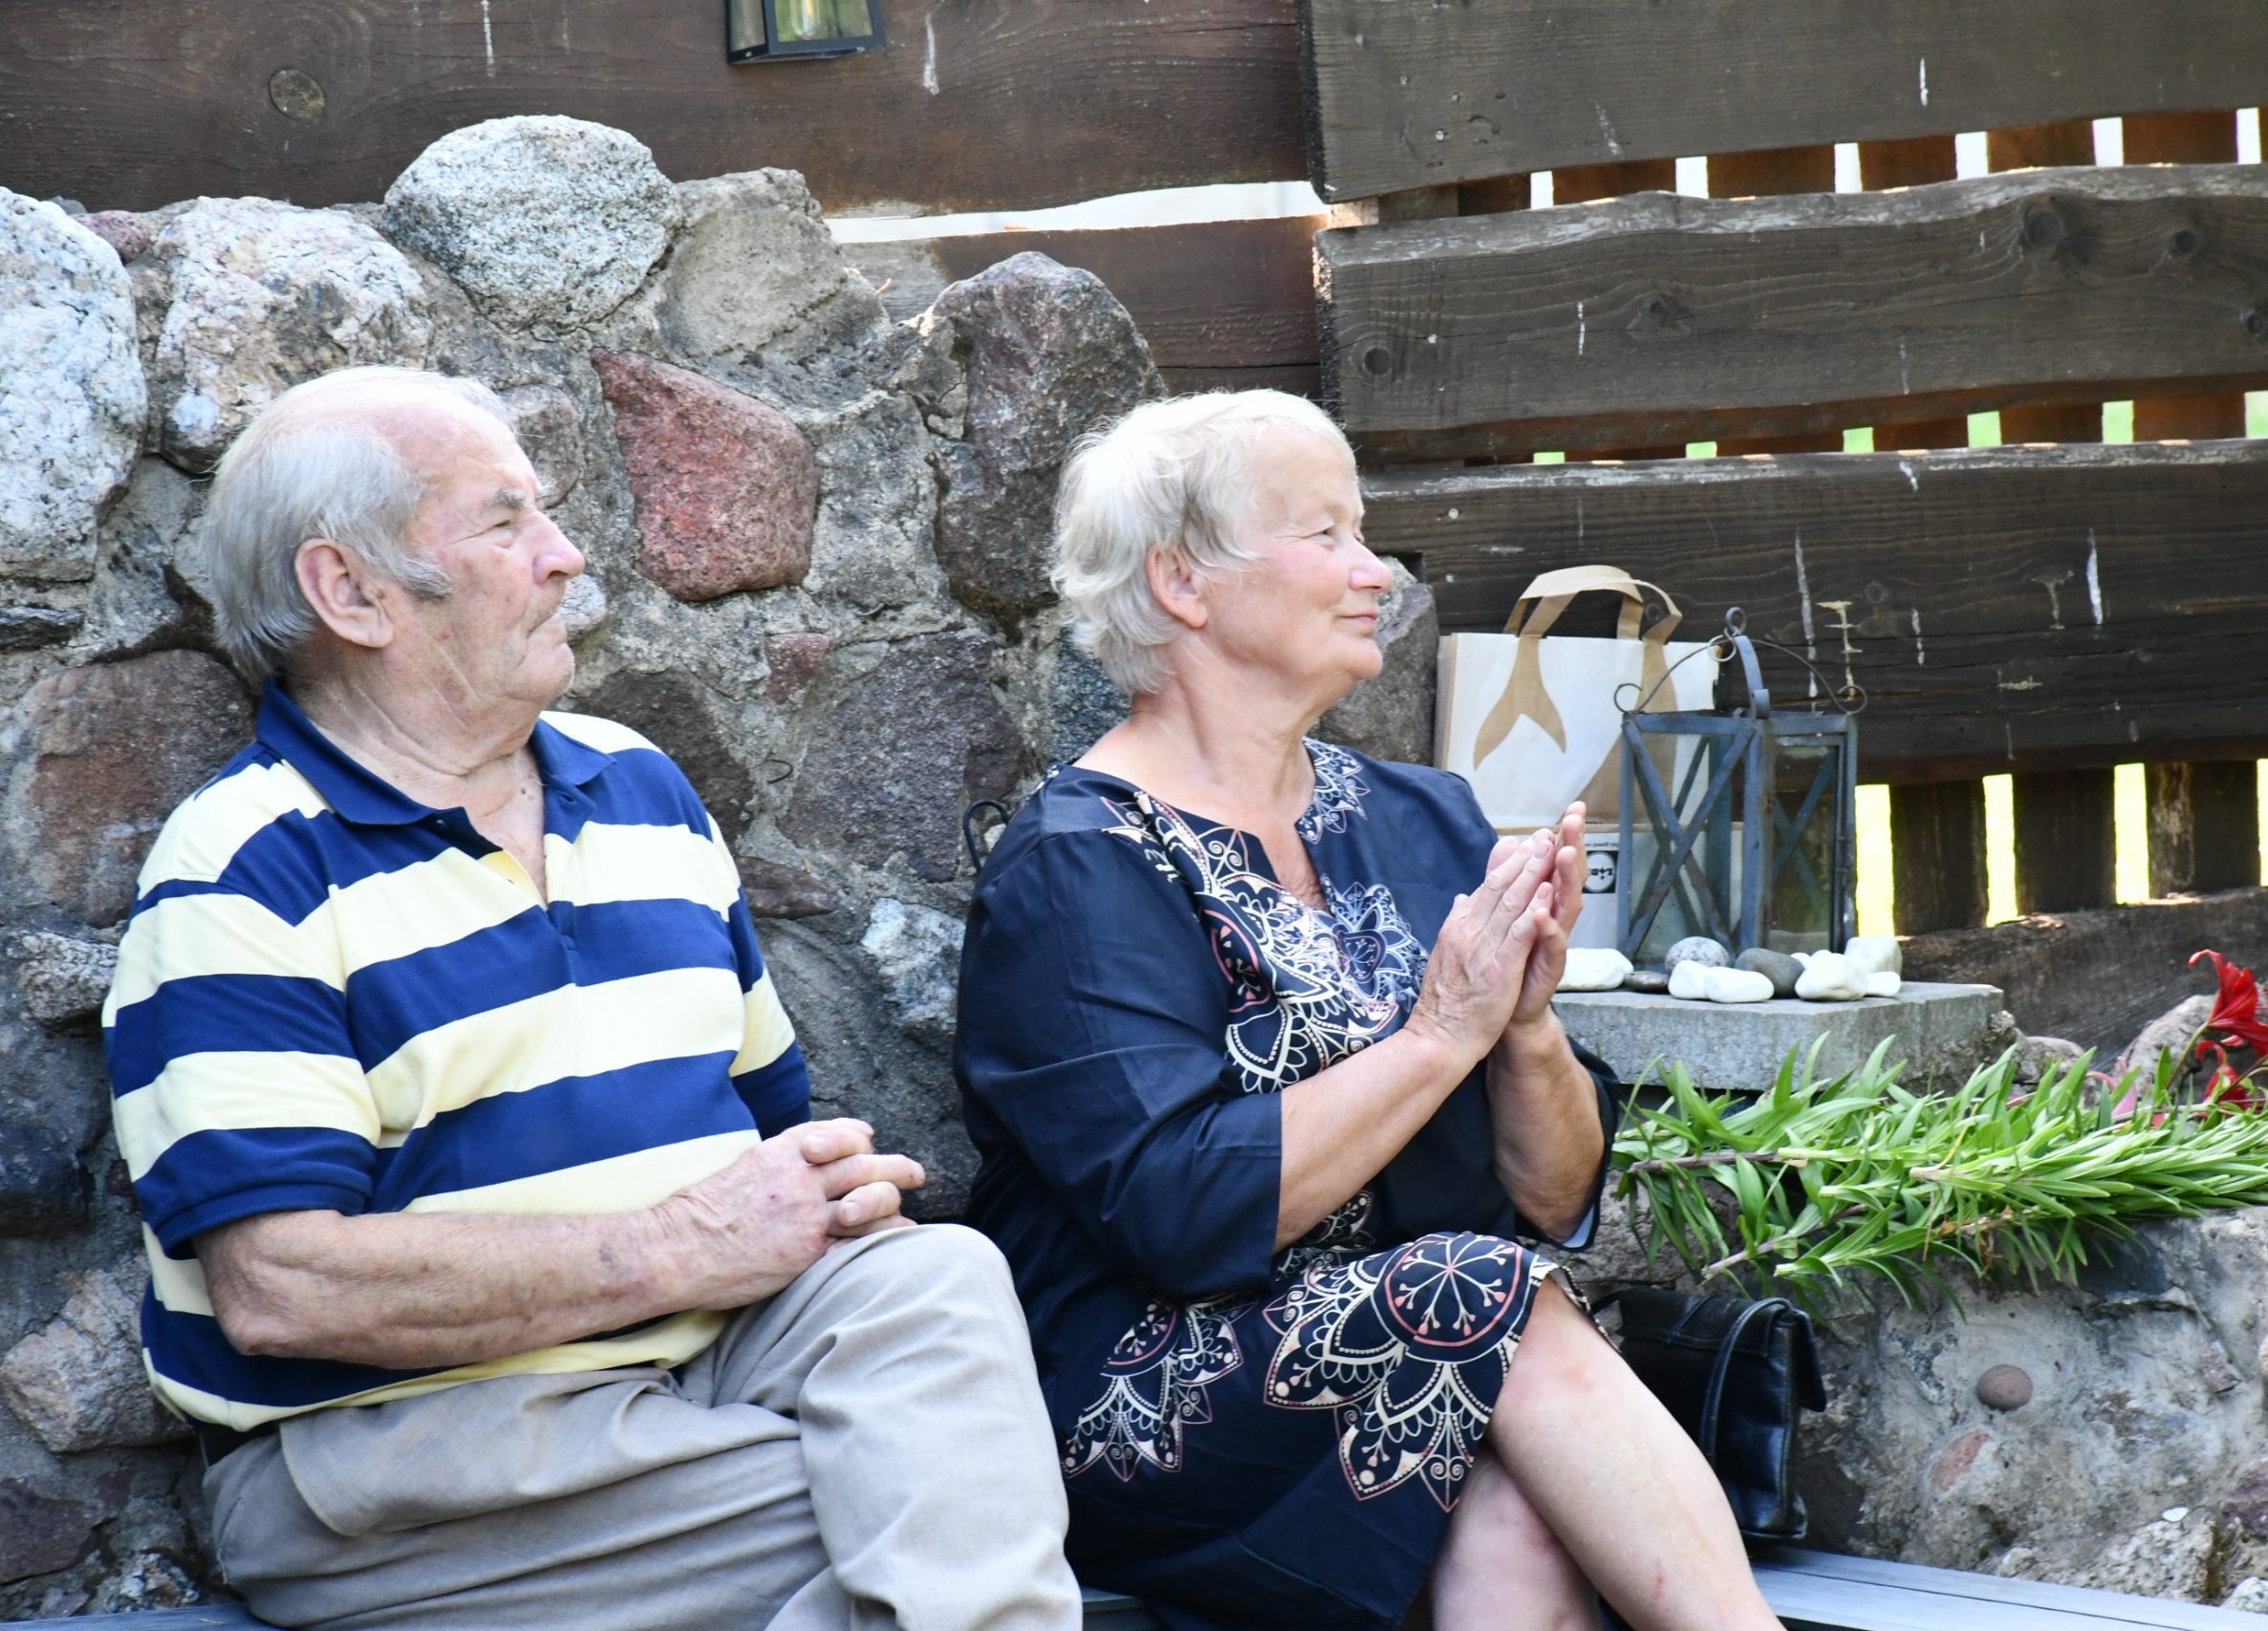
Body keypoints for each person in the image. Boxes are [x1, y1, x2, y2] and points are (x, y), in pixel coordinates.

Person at [103, 365, 1079, 1631]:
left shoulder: (638, 785)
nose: (565, 555)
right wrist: (681, 1247)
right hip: (411, 1447)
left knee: (935, 1282)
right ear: (351, 592)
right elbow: (283, 1289)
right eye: (505, 521)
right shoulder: (244, 868)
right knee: (932, 1510)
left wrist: (818, 1196)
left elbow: (764, 1132)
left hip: (709, 1363)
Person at [954, 391, 1786, 1631]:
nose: (1375, 573)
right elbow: (1183, 1212)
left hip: (1432, 1352)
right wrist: (1439, 1034)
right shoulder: (1077, 865)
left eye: (1364, 531)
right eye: (1324, 534)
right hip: (1148, 1398)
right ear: (1182, 582)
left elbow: (1557, 1197)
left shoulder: (1423, 817)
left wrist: (1521, 1027)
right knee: (1482, 1294)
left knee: (1516, 1517)